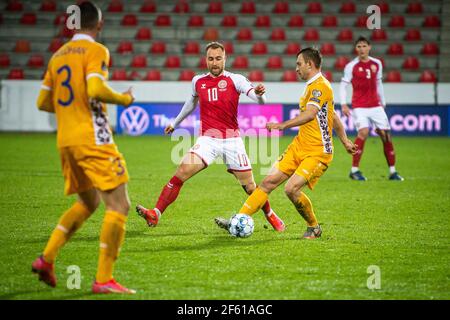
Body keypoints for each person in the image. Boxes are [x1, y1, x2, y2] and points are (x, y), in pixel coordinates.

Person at [32, 1, 136, 294]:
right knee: (119, 205)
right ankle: (103, 279)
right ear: (98, 25)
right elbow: (95, 89)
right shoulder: (96, 50)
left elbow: (42, 102)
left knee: (88, 203)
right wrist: (124, 99)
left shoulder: (58, 55)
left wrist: (72, 110)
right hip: (93, 139)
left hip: (66, 141)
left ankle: (46, 258)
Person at [136, 41, 285, 232]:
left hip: (232, 140)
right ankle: (155, 213)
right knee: (181, 172)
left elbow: (260, 101)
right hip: (208, 139)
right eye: (211, 59)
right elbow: (190, 103)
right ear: (206, 60)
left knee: (250, 187)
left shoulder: (236, 79)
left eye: (218, 59)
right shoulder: (198, 81)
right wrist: (175, 123)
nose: (214, 63)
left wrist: (259, 93)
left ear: (225, 59)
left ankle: (270, 215)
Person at [216, 47, 356, 238]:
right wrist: (346, 140)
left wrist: (282, 125)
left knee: (291, 189)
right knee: (267, 182)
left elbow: (310, 114)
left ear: (310, 64)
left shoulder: (320, 86)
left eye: (299, 64)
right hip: (299, 147)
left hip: (318, 152)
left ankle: (314, 227)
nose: (296, 68)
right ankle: (238, 220)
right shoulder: (311, 86)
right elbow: (333, 117)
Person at [340, 36, 404, 181]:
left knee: (386, 135)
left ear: (369, 47)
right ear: (356, 49)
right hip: (359, 106)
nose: (362, 49)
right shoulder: (351, 66)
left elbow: (378, 83)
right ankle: (354, 170)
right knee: (363, 131)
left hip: (376, 105)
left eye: (364, 46)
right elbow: (343, 85)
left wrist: (383, 101)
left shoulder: (377, 63)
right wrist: (344, 104)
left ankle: (393, 172)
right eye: (359, 46)